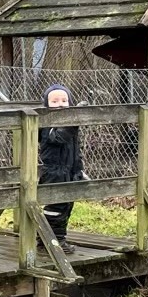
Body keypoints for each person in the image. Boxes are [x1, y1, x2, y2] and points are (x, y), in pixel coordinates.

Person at [38, 83, 85, 251]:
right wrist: (73, 122)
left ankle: (59, 238)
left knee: (67, 205)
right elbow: (58, 138)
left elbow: (75, 151)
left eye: (64, 100)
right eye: (55, 101)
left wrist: (79, 169)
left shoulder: (71, 126)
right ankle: (49, 240)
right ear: (47, 104)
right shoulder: (47, 125)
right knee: (55, 207)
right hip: (54, 172)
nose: (60, 104)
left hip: (70, 171)